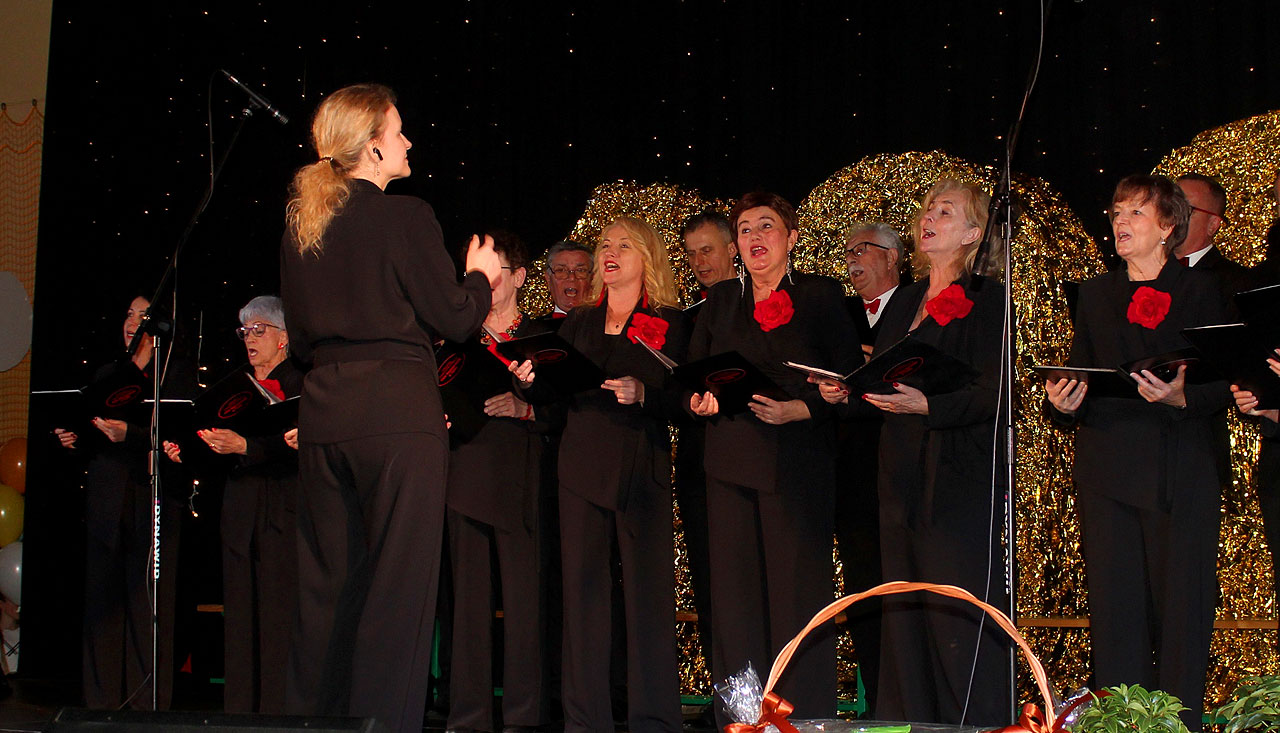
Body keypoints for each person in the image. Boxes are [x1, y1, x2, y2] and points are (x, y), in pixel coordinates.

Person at [278, 83, 502, 733]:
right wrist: (481, 276)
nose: (408, 141)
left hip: (325, 411)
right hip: (398, 413)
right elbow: (455, 317)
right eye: (398, 131)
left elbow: (299, 342)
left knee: (326, 593)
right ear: (373, 147)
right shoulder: (406, 216)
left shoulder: (302, 225)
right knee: (398, 593)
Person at [819, 181, 1010, 725]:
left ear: (972, 233)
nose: (929, 218)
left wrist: (932, 405)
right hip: (899, 473)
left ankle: (974, 723)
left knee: (955, 617)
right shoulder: (906, 299)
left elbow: (995, 393)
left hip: (956, 476)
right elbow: (883, 379)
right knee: (905, 616)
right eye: (927, 209)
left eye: (945, 212)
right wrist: (846, 391)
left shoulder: (989, 298)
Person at [1045, 174, 1229, 730]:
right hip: (1108, 466)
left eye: (1136, 213)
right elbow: (1082, 369)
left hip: (1181, 464)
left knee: (1182, 612)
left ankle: (1178, 726)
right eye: (1117, 212)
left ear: (1168, 226)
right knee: (1116, 611)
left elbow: (1229, 381)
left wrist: (1183, 397)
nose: (1121, 222)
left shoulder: (1204, 290)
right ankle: (1120, 725)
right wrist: (1064, 401)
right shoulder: (1096, 293)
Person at [687, 192, 860, 725]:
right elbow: (694, 374)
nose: (755, 237)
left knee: (797, 598)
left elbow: (850, 382)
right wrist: (699, 399)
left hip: (797, 463)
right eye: (745, 229)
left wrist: (802, 409)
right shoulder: (720, 299)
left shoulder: (821, 295)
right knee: (735, 602)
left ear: (791, 237)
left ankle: (803, 719)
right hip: (729, 461)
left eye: (766, 226)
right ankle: (742, 718)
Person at [524, 216, 686, 733]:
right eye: (605, 244)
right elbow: (551, 396)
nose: (610, 252)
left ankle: (654, 719)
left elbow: (685, 400)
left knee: (647, 597)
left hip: (640, 466)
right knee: (583, 596)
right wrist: (527, 380)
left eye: (624, 245)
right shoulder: (579, 321)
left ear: (647, 257)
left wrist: (646, 395)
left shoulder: (670, 321)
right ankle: (585, 720)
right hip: (581, 465)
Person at [162, 295, 302, 713]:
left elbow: (303, 448)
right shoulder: (233, 388)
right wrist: (188, 452)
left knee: (277, 619)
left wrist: (247, 446)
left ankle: (276, 715)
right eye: (245, 331)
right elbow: (216, 448)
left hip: (283, 511)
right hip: (239, 512)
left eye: (260, 330)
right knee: (239, 619)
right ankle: (238, 713)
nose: (250, 339)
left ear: (284, 338)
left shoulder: (302, 383)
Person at [54, 295, 184, 710]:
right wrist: (72, 440)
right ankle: (100, 705)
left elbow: (178, 438)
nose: (132, 322)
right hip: (107, 503)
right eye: (128, 314)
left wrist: (131, 435)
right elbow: (90, 428)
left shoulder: (172, 377)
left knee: (146, 607)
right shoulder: (108, 374)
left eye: (143, 316)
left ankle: (146, 708)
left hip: (152, 500)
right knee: (101, 606)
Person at [443, 231, 549, 733]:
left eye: (494, 273)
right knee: (468, 604)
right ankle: (469, 716)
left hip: (521, 480)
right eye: (476, 274)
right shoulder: (456, 340)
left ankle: (524, 716)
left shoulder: (542, 337)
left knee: (525, 603)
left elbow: (568, 408)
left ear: (520, 277)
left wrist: (525, 407)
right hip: (464, 475)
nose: (484, 283)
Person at [835, 220, 905, 714]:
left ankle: (914, 700)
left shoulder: (920, 305)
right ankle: (878, 702)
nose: (853, 259)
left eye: (863, 249)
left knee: (908, 586)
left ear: (893, 256)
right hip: (853, 474)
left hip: (907, 469)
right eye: (847, 253)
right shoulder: (838, 314)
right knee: (863, 590)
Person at [674, 209, 735, 681]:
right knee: (712, 587)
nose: (699, 262)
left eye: (708, 250)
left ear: (733, 249)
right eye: (692, 254)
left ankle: (775, 702)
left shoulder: (766, 305)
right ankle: (727, 699)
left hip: (757, 462)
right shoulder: (683, 320)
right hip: (700, 466)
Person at [1174, 174, 1255, 307]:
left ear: (1212, 225)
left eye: (1185, 209)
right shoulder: (1145, 268)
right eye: (1169, 206)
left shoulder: (1237, 282)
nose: (1173, 215)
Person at [681, 210, 737, 295]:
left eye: (706, 251)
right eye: (691, 254)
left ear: (731, 250)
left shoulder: (752, 297)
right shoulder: (699, 303)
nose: (697, 262)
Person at [543, 240, 594, 317]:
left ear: (593, 279)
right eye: (561, 270)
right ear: (548, 280)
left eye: (580, 270)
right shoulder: (533, 325)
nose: (572, 278)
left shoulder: (608, 322)